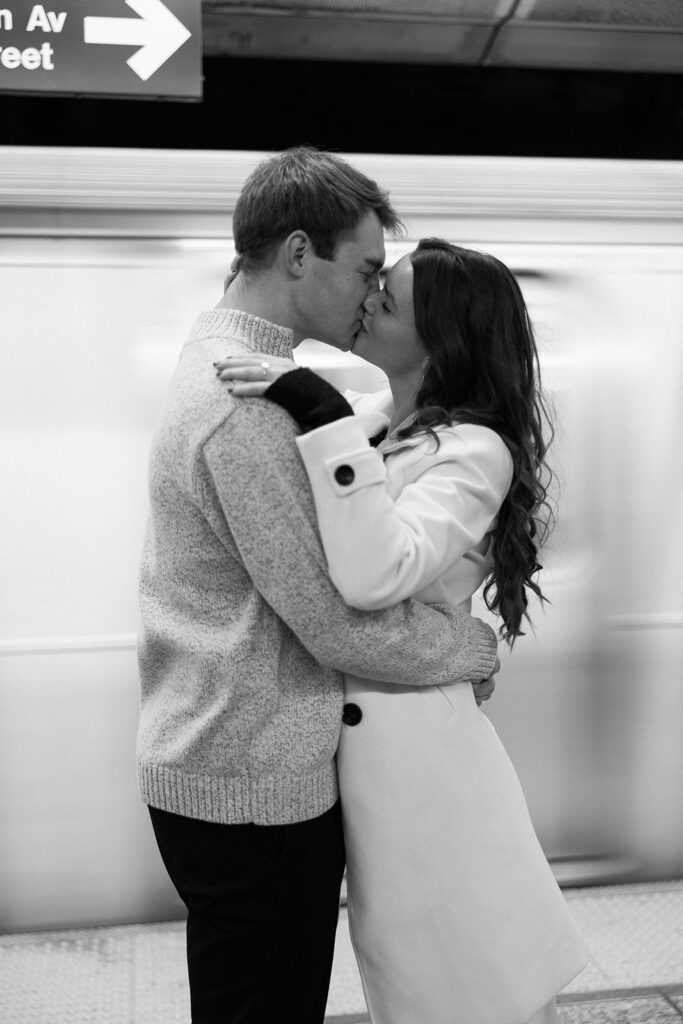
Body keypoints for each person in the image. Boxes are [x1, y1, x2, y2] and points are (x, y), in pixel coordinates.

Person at [136, 150, 500, 1024]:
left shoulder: (223, 359)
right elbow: (338, 622)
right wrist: (471, 648)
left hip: (223, 760)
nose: (373, 294)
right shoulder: (243, 407)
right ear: (300, 255)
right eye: (368, 268)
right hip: (254, 783)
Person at [215, 238, 589, 1024]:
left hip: (428, 775)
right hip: (386, 765)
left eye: (389, 296)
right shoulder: (381, 422)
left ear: (443, 335)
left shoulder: (472, 449)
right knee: (430, 984)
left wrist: (314, 408)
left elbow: (374, 576)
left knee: (467, 982)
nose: (369, 300)